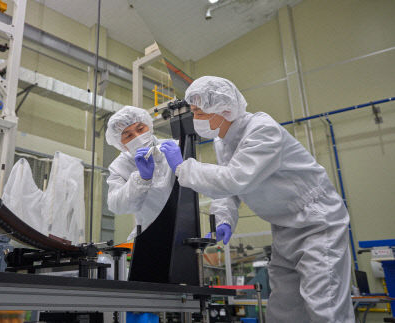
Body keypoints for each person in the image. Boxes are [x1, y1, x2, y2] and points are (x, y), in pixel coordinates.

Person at [159, 76, 355, 323]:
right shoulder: (223, 141)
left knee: (324, 305)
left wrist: (183, 168)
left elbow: (235, 178)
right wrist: (224, 218)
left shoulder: (262, 130)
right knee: (285, 310)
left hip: (317, 223)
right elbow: (229, 189)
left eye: (199, 112)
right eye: (194, 111)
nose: (195, 118)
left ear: (225, 110)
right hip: (284, 228)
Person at [105, 106, 175, 241]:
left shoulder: (175, 148)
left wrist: (182, 166)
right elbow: (116, 205)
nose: (138, 137)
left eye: (140, 129)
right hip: (150, 233)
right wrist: (141, 179)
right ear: (121, 144)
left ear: (149, 126)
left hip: (185, 227)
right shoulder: (120, 166)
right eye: (128, 136)